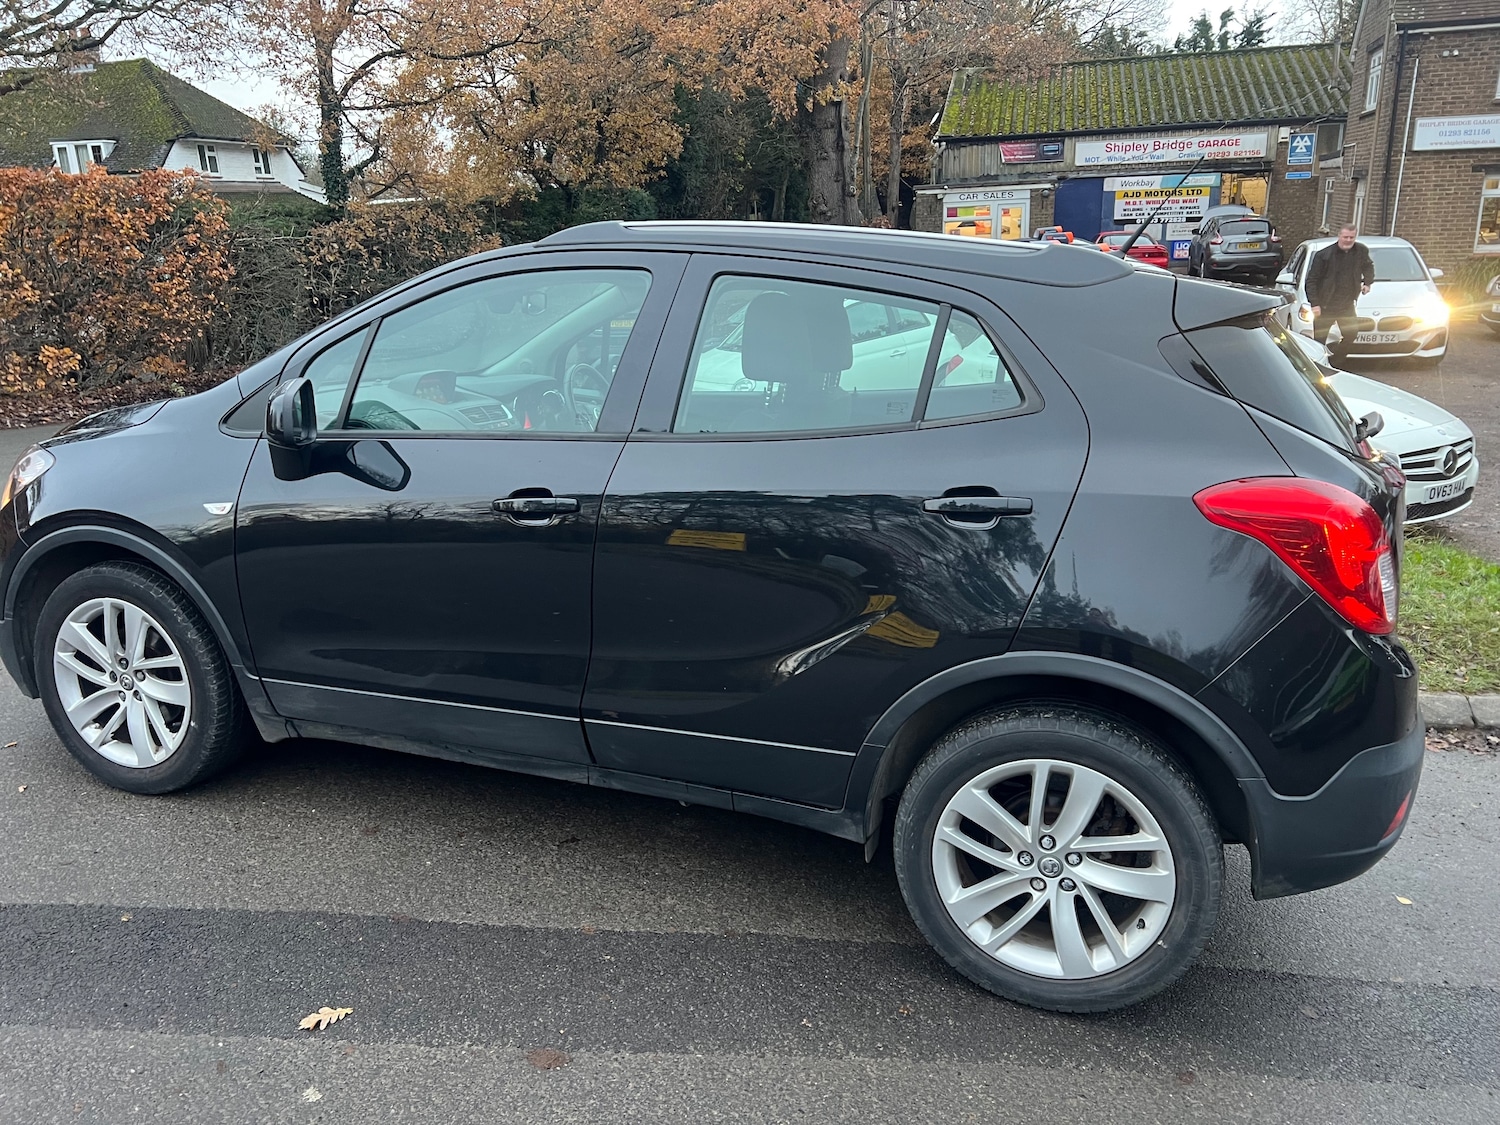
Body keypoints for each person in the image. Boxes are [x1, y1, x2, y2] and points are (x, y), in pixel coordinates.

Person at [1307, 223, 1375, 363]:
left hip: (1347, 305)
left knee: (1351, 334)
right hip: (1325, 305)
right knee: (1320, 340)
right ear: (1339, 236)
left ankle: (1335, 362)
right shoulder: (1324, 255)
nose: (1348, 240)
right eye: (1345, 237)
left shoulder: (1361, 251)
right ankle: (1318, 365)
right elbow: (1311, 280)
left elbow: (1368, 266)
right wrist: (1315, 303)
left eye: (1352, 237)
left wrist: (1367, 282)